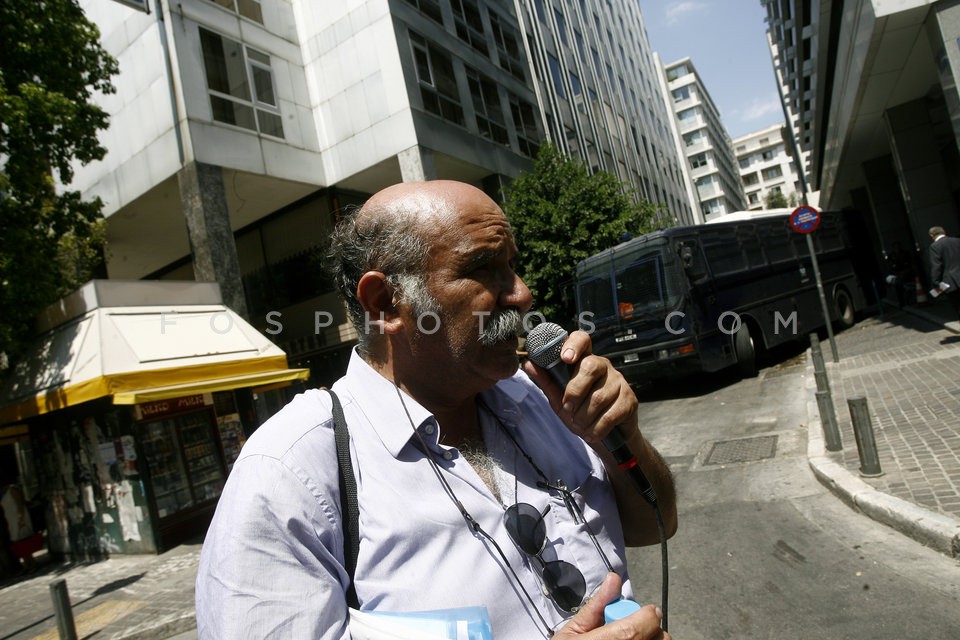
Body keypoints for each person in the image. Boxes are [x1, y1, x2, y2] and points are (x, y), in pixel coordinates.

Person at [195, 180, 677, 639]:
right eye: (485, 268)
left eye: (512, 264)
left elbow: (654, 523)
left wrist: (621, 437)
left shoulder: (541, 396)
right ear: (385, 302)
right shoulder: (287, 474)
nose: (523, 293)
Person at [928, 225, 960, 321]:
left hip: (951, 282)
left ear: (932, 235)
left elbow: (936, 266)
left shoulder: (935, 246)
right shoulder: (957, 241)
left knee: (958, 307)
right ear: (944, 232)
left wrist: (936, 282)